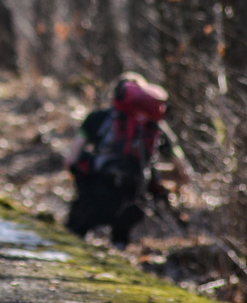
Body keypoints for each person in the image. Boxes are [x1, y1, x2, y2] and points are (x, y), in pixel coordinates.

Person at [63, 72, 191, 248]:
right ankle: (118, 247)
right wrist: (152, 173)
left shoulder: (97, 118)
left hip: (94, 196)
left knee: (72, 238)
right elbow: (184, 173)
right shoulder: (156, 128)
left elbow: (70, 160)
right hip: (133, 202)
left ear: (115, 95)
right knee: (120, 244)